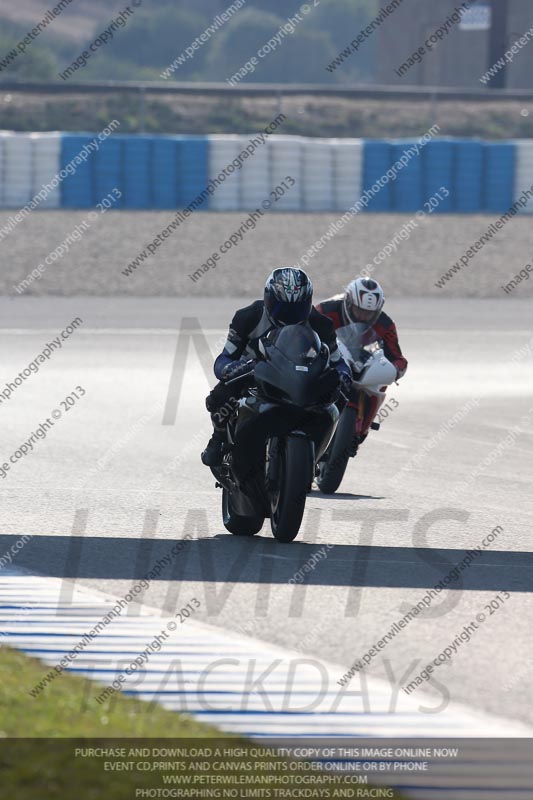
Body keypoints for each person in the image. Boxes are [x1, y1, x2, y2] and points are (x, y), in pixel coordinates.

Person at [201, 267, 351, 466]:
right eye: (282, 308)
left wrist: (343, 375)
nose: (290, 315)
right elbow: (225, 357)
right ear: (267, 299)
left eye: (297, 308)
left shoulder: (321, 324)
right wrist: (232, 369)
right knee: (220, 396)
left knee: (340, 393)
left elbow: (338, 361)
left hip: (300, 377)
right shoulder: (248, 317)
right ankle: (219, 438)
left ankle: (322, 445)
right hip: (254, 374)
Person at [316, 277, 407, 453]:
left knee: (381, 381)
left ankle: (362, 429)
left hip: (362, 358)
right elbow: (303, 332)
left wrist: (396, 369)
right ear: (349, 303)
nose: (364, 317)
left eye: (369, 313)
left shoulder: (385, 324)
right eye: (359, 310)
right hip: (330, 353)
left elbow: (396, 356)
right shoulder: (326, 310)